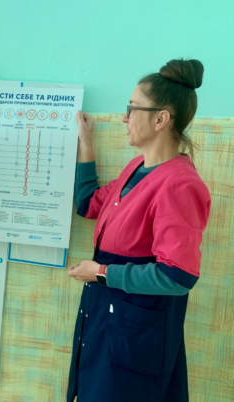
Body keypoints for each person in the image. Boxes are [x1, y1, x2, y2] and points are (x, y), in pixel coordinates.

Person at [67, 59, 211, 402]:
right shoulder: (136, 168)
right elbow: (88, 204)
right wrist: (85, 141)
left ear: (161, 119)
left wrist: (101, 273)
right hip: (105, 319)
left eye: (132, 108)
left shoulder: (180, 184)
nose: (124, 117)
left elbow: (177, 277)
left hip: (136, 334)